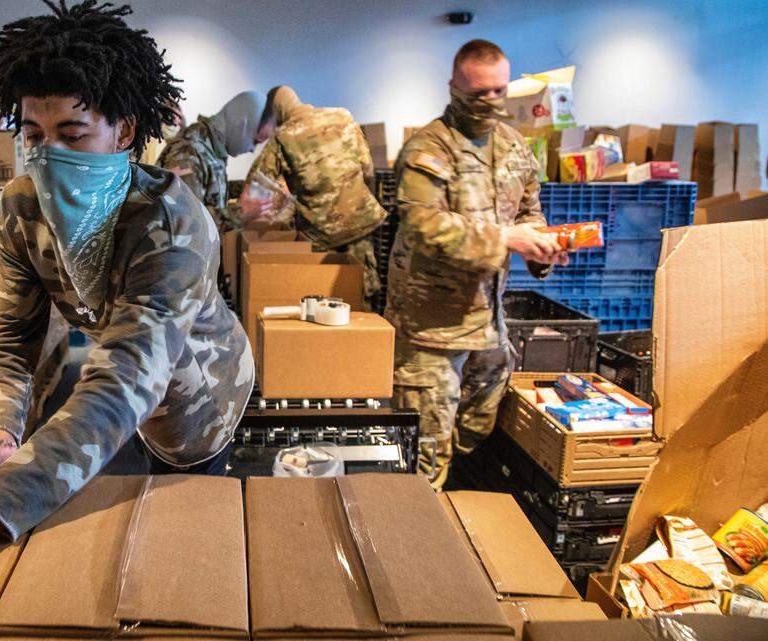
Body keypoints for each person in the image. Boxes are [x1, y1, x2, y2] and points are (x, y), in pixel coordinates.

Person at [0, 0, 253, 609]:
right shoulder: (22, 207)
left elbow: (126, 378)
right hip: (122, 381)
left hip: (197, 392)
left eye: (73, 134)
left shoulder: (172, 222)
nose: (48, 153)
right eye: (34, 136)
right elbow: (8, 340)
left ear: (125, 131)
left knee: (175, 549)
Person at [386, 39, 568, 489]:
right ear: (453, 87)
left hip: (489, 323)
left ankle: (455, 501)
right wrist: (507, 238)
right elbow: (422, 225)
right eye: (477, 94)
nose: (489, 104)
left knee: (477, 429)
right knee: (426, 452)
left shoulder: (513, 145)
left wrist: (542, 246)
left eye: (498, 93)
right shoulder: (428, 150)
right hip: (430, 329)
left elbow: (529, 208)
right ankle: (422, 531)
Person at [243, 86, 387, 302]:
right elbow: (367, 170)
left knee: (324, 295)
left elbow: (257, 186)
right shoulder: (343, 116)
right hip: (360, 223)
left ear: (276, 112)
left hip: (320, 233)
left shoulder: (283, 137)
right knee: (361, 291)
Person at [156, 91, 276, 230]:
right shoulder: (189, 151)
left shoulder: (210, 147)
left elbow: (206, 191)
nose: (252, 149)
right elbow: (184, 223)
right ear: (241, 126)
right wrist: (241, 212)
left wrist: (243, 187)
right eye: (255, 141)